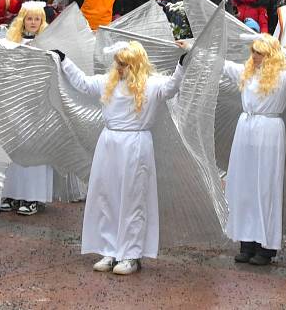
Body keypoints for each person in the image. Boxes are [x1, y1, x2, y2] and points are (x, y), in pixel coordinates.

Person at [53, 39, 188, 275]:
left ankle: (131, 254)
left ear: (135, 64)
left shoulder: (152, 84)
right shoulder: (109, 82)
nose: (119, 68)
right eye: (118, 63)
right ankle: (110, 249)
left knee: (133, 198)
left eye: (124, 64)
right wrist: (64, 60)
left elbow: (171, 88)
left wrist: (182, 65)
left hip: (135, 144)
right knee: (108, 195)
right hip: (109, 143)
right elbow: (83, 83)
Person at [224, 34, 286, 265]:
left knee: (265, 187)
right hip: (245, 130)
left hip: (269, 132)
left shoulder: (282, 77)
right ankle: (246, 242)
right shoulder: (245, 72)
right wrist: (194, 46)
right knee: (245, 186)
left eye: (260, 53)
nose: (255, 57)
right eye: (254, 51)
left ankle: (265, 247)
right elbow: (221, 64)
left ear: (271, 55)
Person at [0, 1, 55, 217]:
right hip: (14, 102)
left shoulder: (47, 44)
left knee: (34, 148)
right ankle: (11, 193)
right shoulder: (10, 42)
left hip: (37, 103)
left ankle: (33, 196)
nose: (32, 23)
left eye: (37, 19)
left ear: (42, 22)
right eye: (29, 18)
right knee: (13, 147)